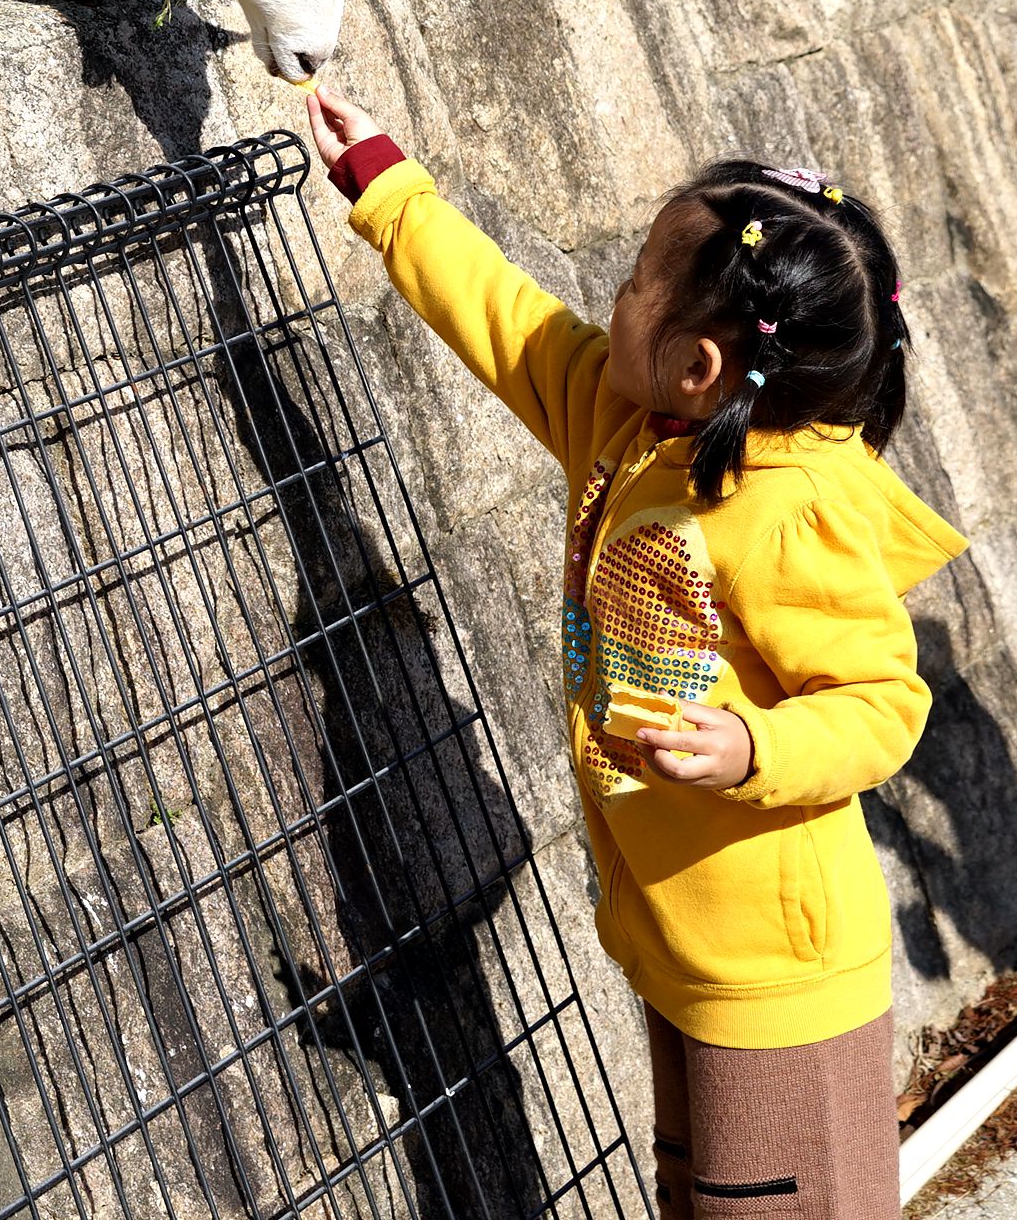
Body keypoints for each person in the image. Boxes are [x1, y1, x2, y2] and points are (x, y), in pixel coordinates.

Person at [305, 85, 968, 1220]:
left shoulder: (789, 503)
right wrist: (389, 187)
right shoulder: (626, 426)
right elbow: (508, 321)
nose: (604, 299)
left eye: (628, 282)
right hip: (675, 941)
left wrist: (755, 743)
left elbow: (878, 698)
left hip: (781, 980)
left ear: (700, 365)